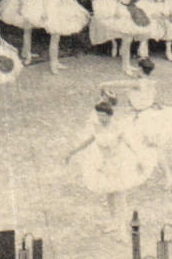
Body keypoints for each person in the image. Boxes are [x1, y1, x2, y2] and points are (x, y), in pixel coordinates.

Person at [100, 58, 172, 186]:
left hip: (145, 119)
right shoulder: (150, 83)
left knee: (146, 146)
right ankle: (148, 171)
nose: (136, 70)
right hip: (146, 115)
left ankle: (166, 175)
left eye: (137, 68)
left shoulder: (138, 83)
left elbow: (120, 83)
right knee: (136, 143)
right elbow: (144, 100)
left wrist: (104, 84)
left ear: (140, 69)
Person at [64, 99, 150, 232]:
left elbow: (130, 144)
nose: (101, 118)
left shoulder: (117, 127)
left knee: (119, 194)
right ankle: (113, 221)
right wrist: (72, 152)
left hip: (118, 163)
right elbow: (86, 142)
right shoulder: (96, 127)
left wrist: (140, 159)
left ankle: (121, 224)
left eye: (103, 116)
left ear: (109, 115)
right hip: (104, 164)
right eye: (99, 115)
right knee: (109, 193)